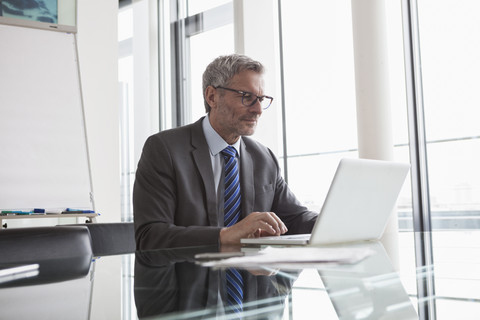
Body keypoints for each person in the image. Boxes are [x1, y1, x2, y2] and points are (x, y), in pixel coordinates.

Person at [133, 54, 317, 250]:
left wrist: (340, 222)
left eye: (261, 99)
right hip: (186, 277)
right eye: (247, 97)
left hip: (251, 276)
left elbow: (295, 219)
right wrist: (226, 235)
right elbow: (150, 236)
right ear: (212, 96)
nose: (258, 110)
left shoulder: (264, 158)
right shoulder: (164, 149)